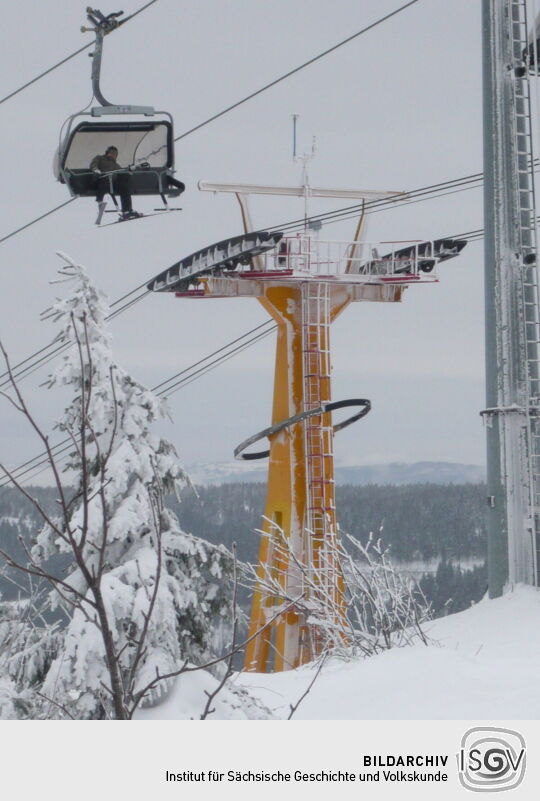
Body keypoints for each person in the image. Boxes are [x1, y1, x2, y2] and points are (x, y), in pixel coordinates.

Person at [90, 146, 141, 219]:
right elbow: (93, 165)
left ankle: (127, 211)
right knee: (104, 181)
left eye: (115, 154)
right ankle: (100, 205)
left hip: (113, 183)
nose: (113, 155)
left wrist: (129, 170)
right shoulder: (100, 158)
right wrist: (96, 170)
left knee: (124, 188)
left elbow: (122, 171)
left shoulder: (115, 164)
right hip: (102, 179)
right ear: (107, 153)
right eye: (111, 153)